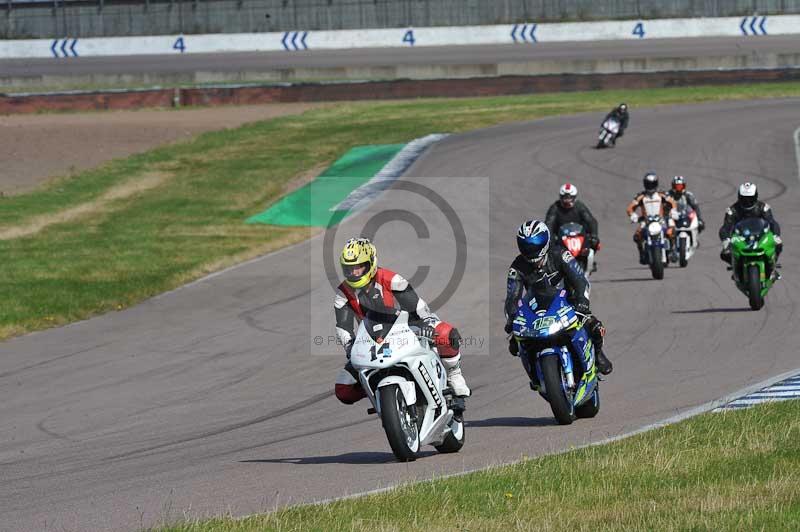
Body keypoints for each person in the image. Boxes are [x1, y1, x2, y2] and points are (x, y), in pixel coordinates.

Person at [333, 237, 470, 405]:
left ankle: (453, 374)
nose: (354, 273)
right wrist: (350, 346)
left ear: (371, 263)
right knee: (343, 389)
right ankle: (381, 392)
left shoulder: (393, 280)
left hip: (408, 328)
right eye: (349, 269)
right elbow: (343, 327)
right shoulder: (342, 294)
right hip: (372, 340)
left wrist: (426, 325)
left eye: (359, 267)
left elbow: (419, 308)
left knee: (445, 333)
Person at [503, 220, 613, 377]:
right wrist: (511, 320)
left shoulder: (561, 254)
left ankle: (598, 354)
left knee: (594, 327)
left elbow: (580, 280)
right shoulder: (517, 267)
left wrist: (582, 301)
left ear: (546, 241)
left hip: (569, 303)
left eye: (535, 245)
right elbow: (512, 297)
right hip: (538, 312)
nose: (531, 250)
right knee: (516, 344)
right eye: (527, 247)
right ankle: (536, 375)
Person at [719, 182, 782, 266]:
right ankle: (737, 266)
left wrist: (775, 235)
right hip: (740, 237)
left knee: (778, 244)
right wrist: (726, 240)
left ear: (755, 197)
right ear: (739, 197)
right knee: (725, 253)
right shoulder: (732, 210)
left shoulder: (763, 208)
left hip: (760, 235)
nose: (747, 201)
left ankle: (772, 264)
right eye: (744, 199)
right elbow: (725, 227)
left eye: (750, 198)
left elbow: (772, 222)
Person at [626, 172, 678, 265]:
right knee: (637, 236)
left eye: (652, 184)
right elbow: (630, 208)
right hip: (646, 221)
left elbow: (672, 202)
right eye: (648, 184)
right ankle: (641, 253)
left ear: (656, 184)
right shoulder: (640, 196)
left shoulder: (662, 194)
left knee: (671, 232)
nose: (650, 186)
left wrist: (673, 211)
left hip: (661, 220)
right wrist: (633, 215)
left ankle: (673, 251)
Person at [545, 182, 600, 263]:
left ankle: (589, 261)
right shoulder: (555, 207)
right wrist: (550, 237)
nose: (567, 200)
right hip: (560, 237)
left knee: (595, 242)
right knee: (548, 244)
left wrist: (594, 235)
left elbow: (591, 220)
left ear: (574, 198)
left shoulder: (580, 206)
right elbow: (549, 222)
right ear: (561, 197)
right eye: (565, 197)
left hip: (579, 235)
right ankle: (553, 263)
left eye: (569, 198)